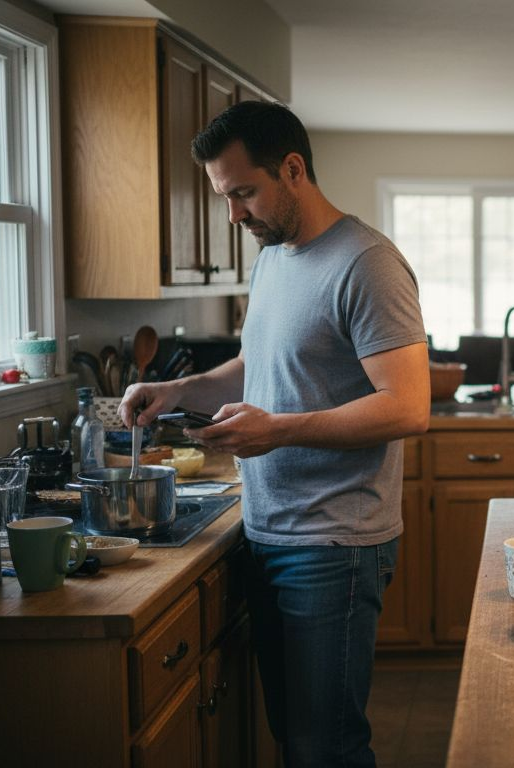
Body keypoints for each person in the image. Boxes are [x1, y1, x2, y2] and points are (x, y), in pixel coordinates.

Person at [119, 101, 430, 767]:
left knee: (327, 748)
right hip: (266, 532)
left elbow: (407, 408)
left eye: (243, 193)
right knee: (294, 735)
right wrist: (178, 390)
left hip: (333, 543)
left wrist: (278, 430)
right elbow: (259, 364)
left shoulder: (367, 263)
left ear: (293, 170)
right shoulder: (275, 257)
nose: (234, 215)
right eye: (224, 197)